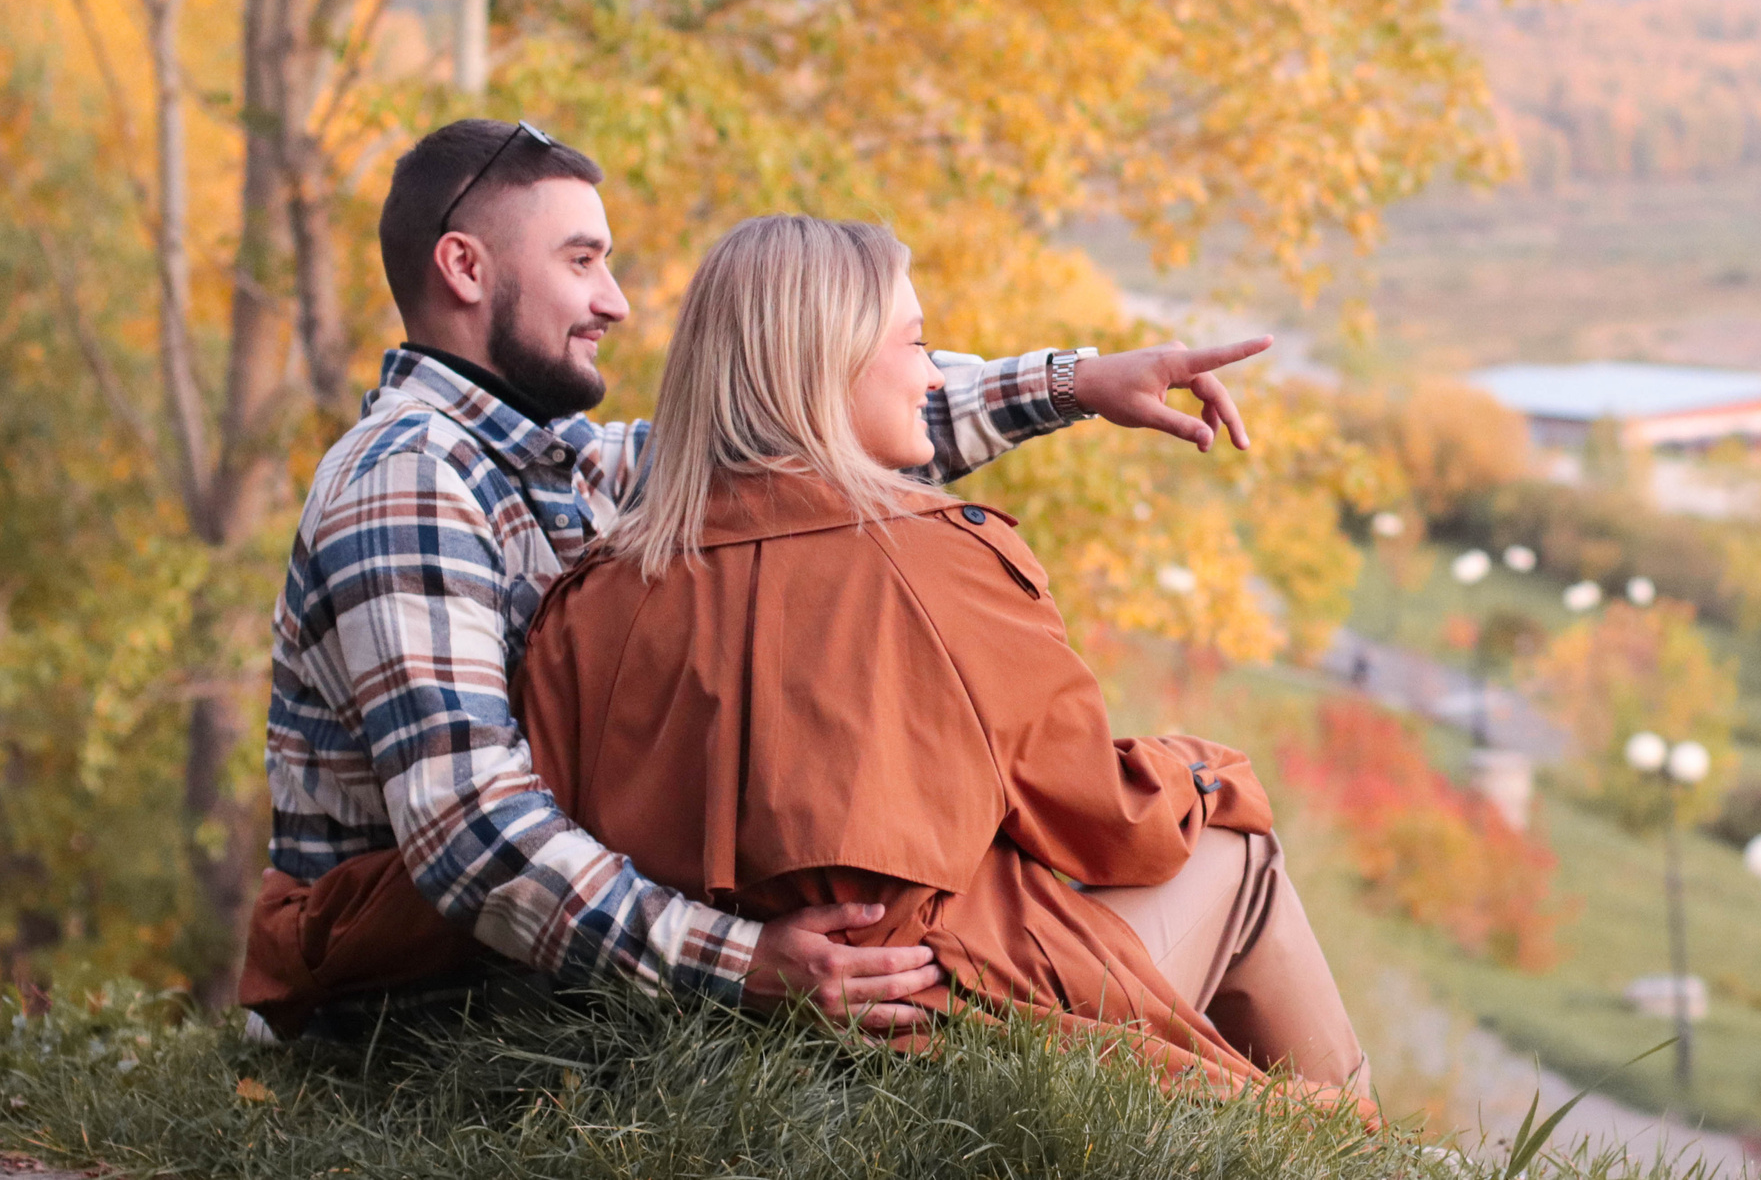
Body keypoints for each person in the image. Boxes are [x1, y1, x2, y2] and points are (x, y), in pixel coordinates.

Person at [244, 119, 1273, 1039]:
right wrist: (744, 963)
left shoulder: (544, 463)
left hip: (516, 971)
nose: (615, 300)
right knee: (1209, 879)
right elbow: (472, 835)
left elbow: (795, 419)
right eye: (581, 260)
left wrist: (1077, 383)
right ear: (465, 268)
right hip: (402, 1010)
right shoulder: (409, 483)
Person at [514, 215, 1367, 1098]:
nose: (932, 374)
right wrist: (1207, 770)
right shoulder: (940, 561)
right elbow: (1106, 823)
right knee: (1242, 858)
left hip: (708, 1023)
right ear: (829, 363)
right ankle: (1363, 1147)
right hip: (928, 1026)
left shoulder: (588, 601)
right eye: (918, 344)